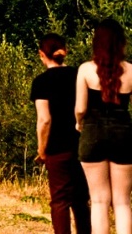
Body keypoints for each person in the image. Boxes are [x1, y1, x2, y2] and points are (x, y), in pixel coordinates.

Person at [76, 18, 132, 234]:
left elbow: (80, 108)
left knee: (99, 201)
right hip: (123, 135)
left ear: (96, 42)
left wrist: (79, 123)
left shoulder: (85, 70)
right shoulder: (131, 71)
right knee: (122, 202)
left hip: (92, 133)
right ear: (121, 42)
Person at [30, 33, 90, 234]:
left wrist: (42, 149)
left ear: (41, 55)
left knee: (60, 200)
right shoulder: (79, 75)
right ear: (66, 51)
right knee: (81, 199)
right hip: (82, 144)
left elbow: (44, 119)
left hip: (57, 147)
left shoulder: (41, 82)